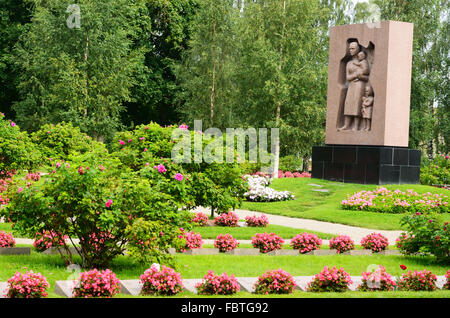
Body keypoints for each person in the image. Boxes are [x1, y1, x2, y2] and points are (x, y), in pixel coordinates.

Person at [338, 42, 370, 131]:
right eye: (349, 48)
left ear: (358, 49)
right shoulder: (349, 63)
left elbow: (367, 77)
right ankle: (346, 125)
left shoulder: (364, 62)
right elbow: (348, 77)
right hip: (351, 86)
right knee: (348, 104)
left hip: (360, 86)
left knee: (357, 104)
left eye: (353, 48)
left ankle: (356, 127)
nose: (350, 50)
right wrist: (356, 75)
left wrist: (360, 76)